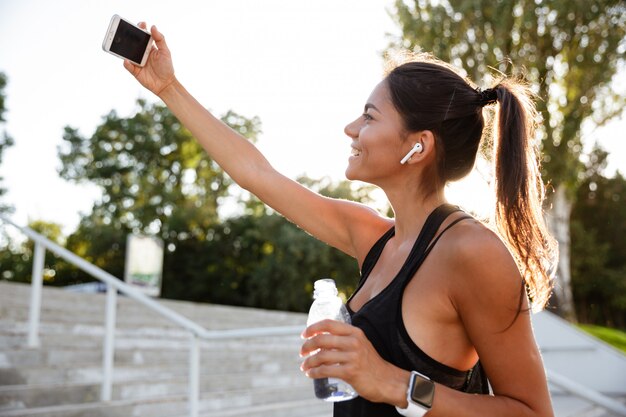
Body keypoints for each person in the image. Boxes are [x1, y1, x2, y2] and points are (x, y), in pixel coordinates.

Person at [123, 23, 557, 417]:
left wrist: (397, 384)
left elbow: (532, 412)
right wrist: (168, 87)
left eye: (369, 116)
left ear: (418, 146)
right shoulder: (373, 236)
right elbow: (257, 175)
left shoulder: (472, 252)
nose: (351, 129)